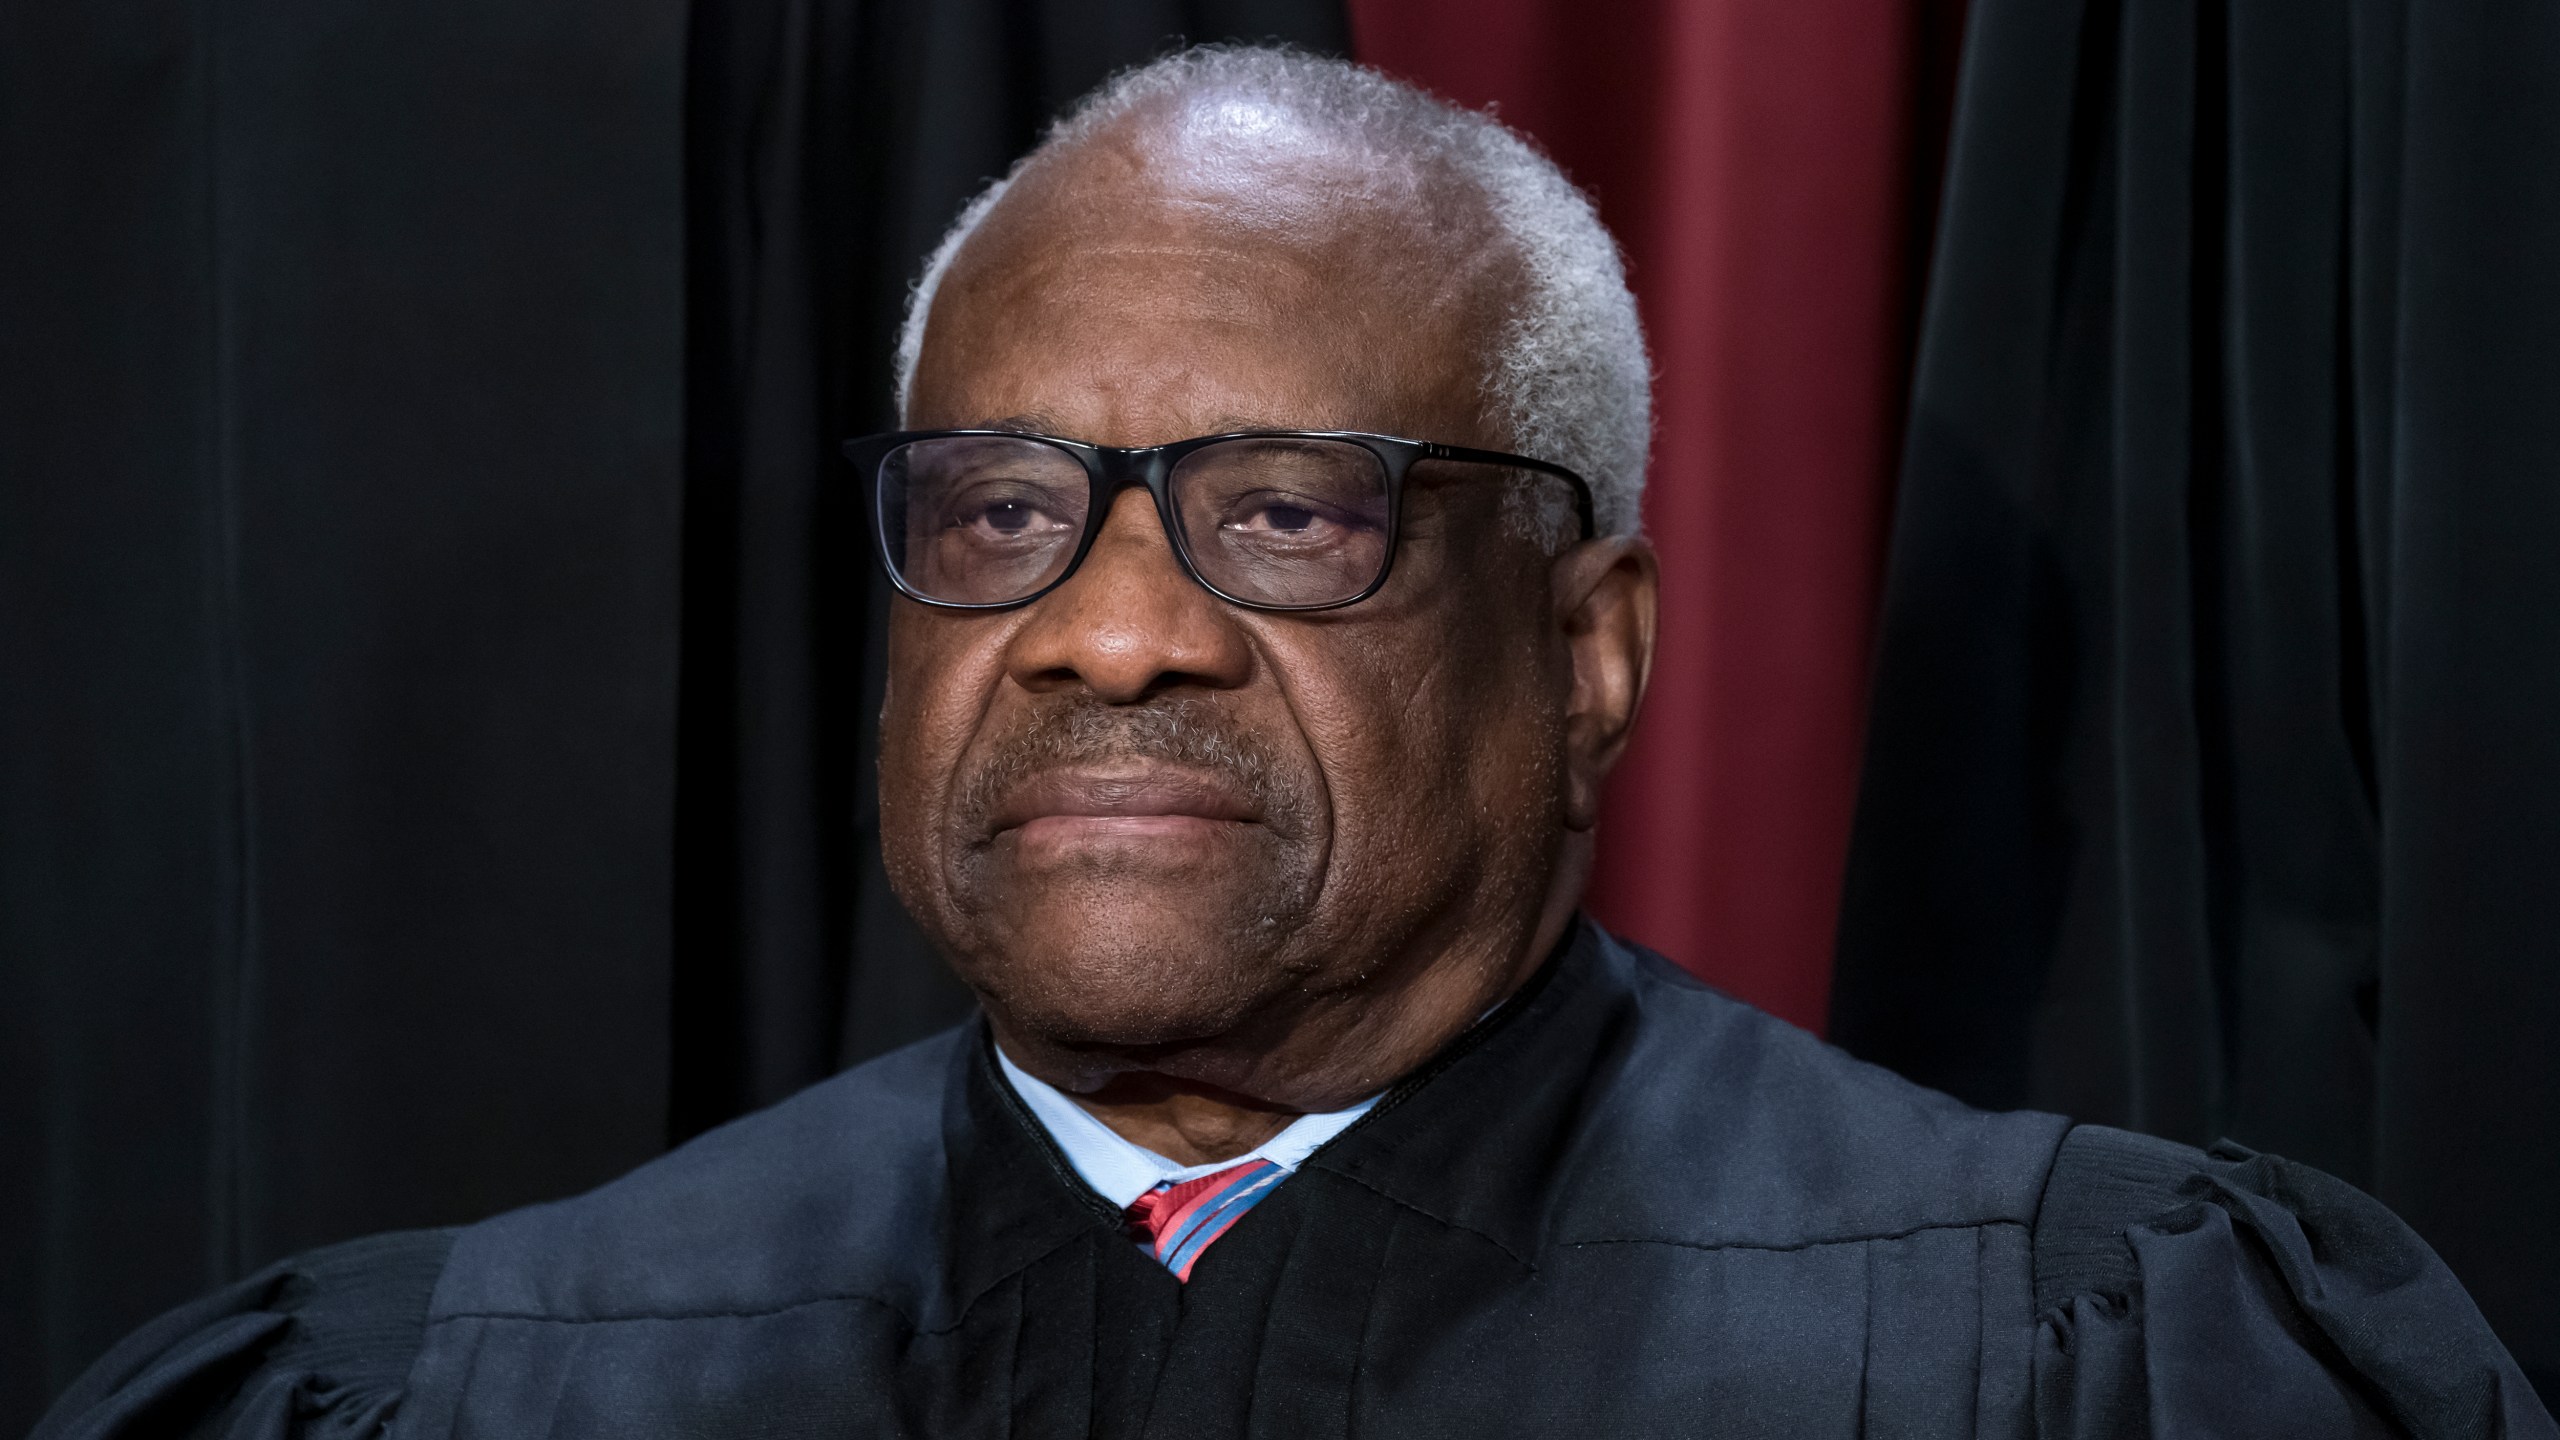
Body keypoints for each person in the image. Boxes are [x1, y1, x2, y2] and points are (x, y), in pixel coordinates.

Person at [37, 45, 2552, 1440]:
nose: (1108, 634)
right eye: (1002, 507)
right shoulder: (476, 1387)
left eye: (1287, 512)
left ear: (1589, 654)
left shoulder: (2072, 1362)